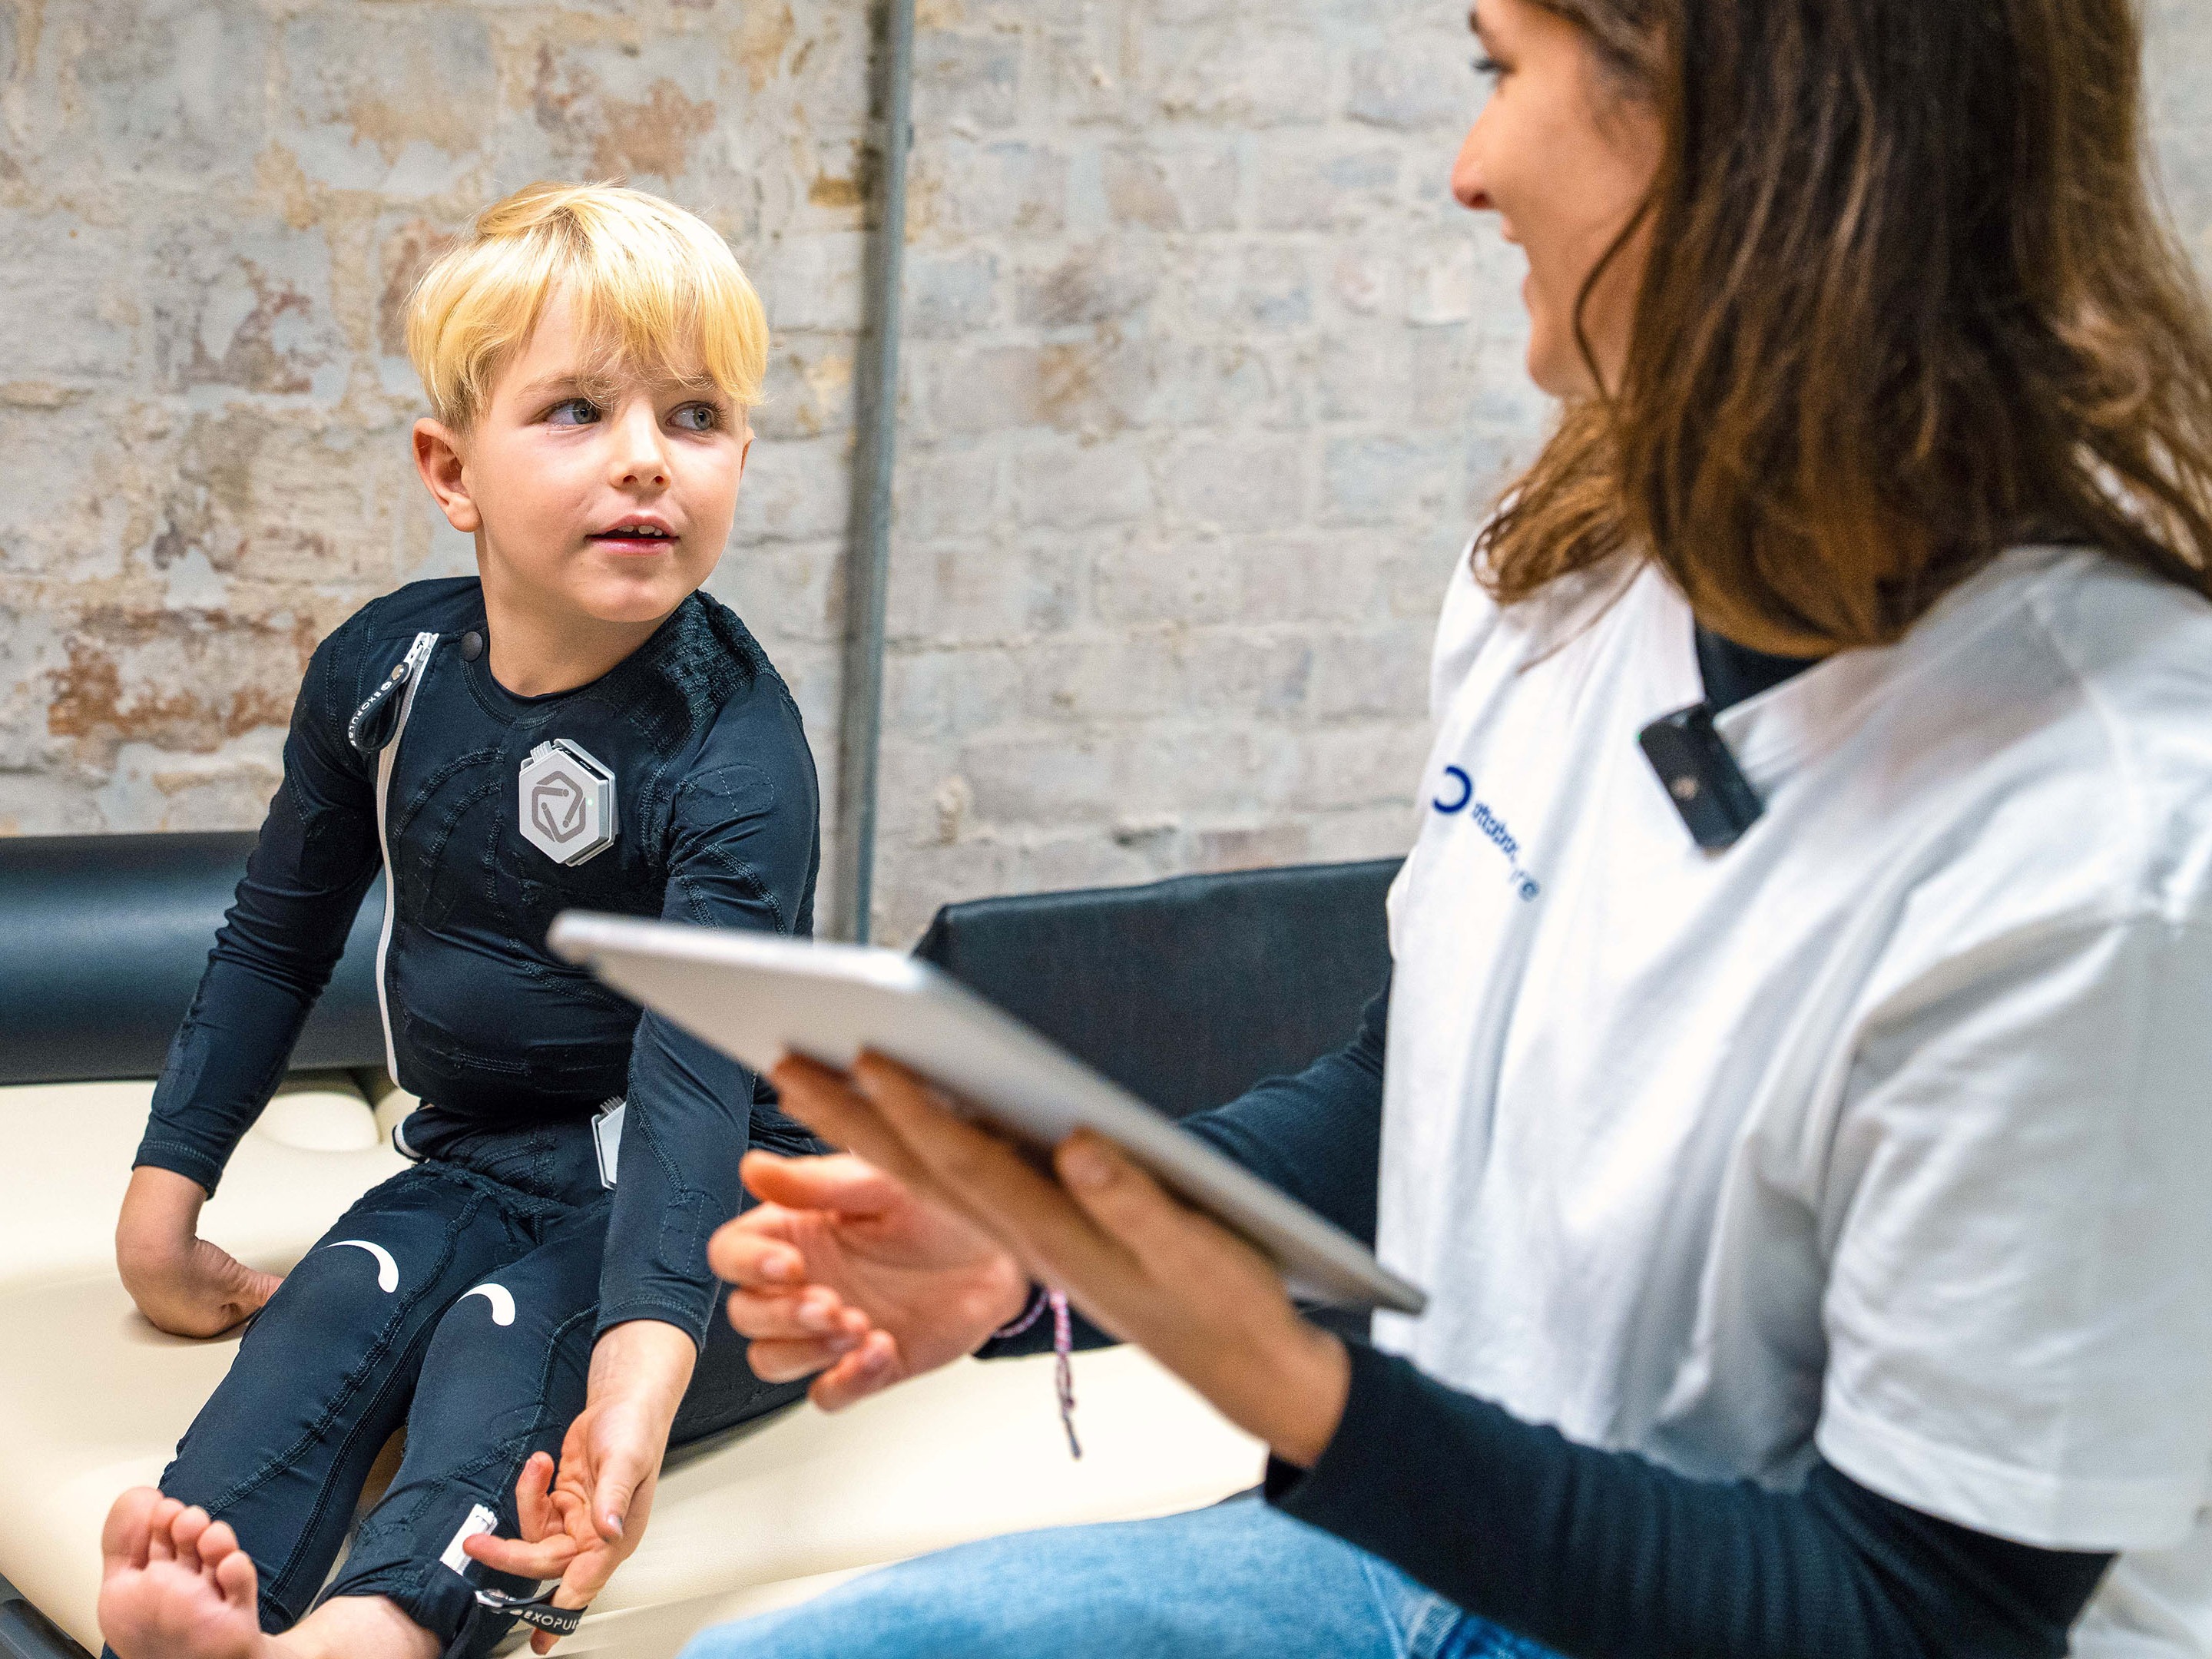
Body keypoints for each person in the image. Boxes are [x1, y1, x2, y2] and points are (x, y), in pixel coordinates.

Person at [687, 1, 2212, 1657]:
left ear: (1744, 130)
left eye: (1501, 70)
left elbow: (1923, 1619)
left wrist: (1296, 1391)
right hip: (1444, 1550)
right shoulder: (1562, 564)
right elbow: (1414, 1090)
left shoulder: (2113, 837)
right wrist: (1050, 1234)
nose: (1469, 171)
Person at [92, 181, 824, 1659]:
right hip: (480, 1161)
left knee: (508, 1349)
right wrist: (164, 1210)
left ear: (740, 453)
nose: (645, 462)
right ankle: (202, 1601)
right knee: (334, 1310)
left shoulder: (737, 753)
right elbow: (274, 938)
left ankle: (378, 1637)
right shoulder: (386, 670)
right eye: (575, 413)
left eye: (695, 417)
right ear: (451, 468)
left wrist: (638, 1371)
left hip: (723, 1210)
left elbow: (693, 1082)